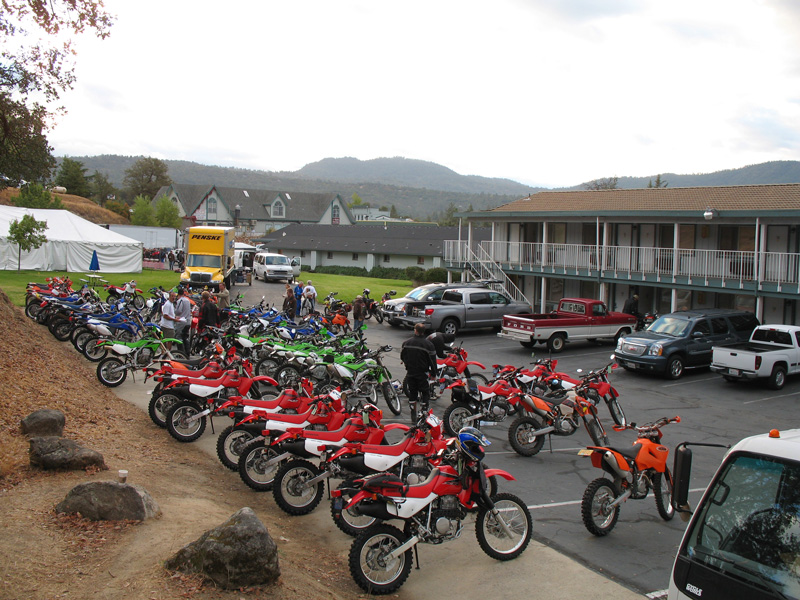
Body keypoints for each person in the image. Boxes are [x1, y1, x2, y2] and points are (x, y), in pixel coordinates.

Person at [400, 323, 437, 420]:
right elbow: (433, 361)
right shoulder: (429, 345)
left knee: (413, 393)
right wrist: (433, 374)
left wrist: (406, 364)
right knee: (425, 392)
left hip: (411, 372)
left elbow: (402, 356)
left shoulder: (406, 343)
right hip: (422, 373)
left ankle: (413, 414)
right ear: (423, 332)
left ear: (415, 330)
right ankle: (424, 413)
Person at [173, 286, 192, 353]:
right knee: (185, 337)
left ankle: (180, 352)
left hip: (182, 321)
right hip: (188, 321)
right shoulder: (187, 300)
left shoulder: (180, 301)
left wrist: (174, 312)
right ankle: (187, 352)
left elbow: (179, 311)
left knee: (179, 337)